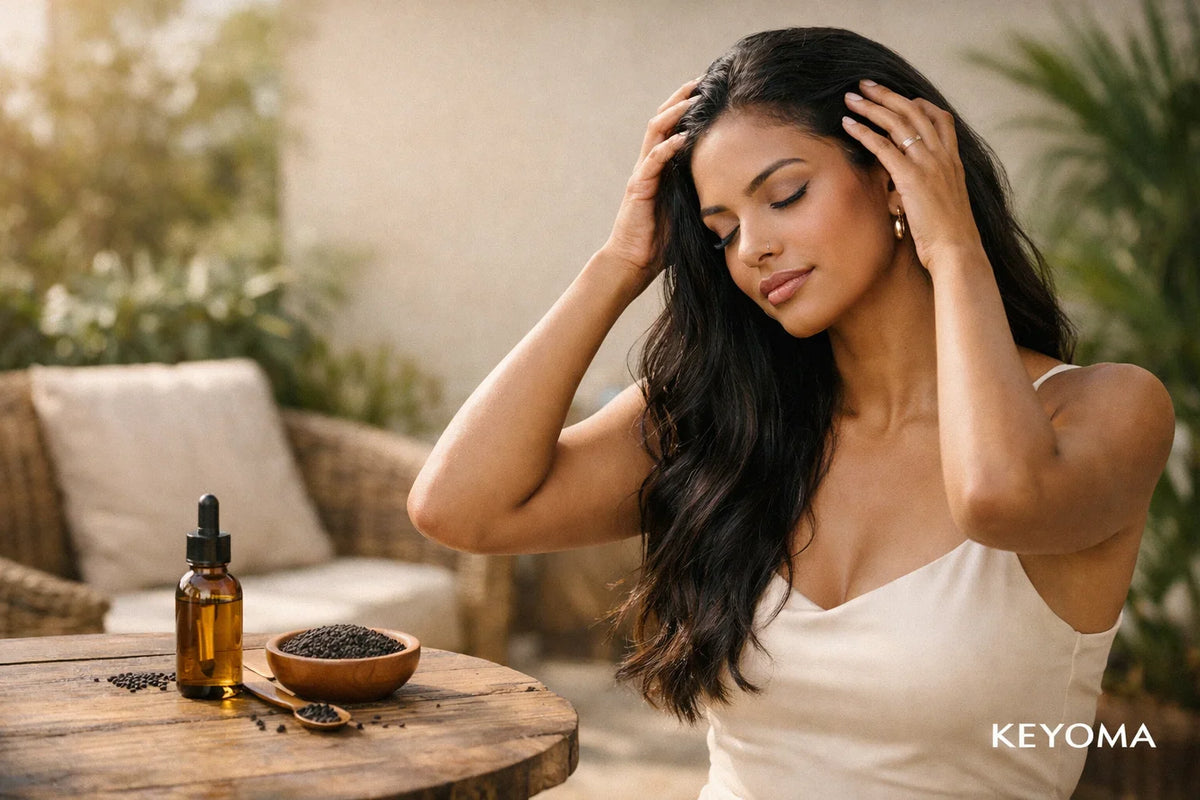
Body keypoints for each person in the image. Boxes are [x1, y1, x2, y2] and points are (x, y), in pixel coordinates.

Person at [408, 27, 1175, 799]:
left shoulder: (1104, 410)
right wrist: (618, 265)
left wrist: (955, 248)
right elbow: (458, 508)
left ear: (893, 178)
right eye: (721, 232)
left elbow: (997, 497)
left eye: (785, 195)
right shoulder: (729, 420)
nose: (753, 250)